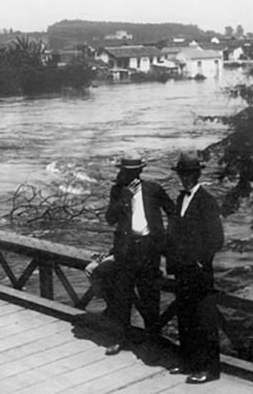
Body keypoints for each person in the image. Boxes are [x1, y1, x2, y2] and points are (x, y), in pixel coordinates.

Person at [103, 151, 177, 356]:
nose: (130, 176)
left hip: (148, 250)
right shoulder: (117, 191)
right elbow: (110, 219)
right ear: (122, 173)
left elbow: (173, 212)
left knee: (150, 297)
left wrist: (166, 239)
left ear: (140, 172)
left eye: (134, 172)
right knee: (123, 297)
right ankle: (121, 339)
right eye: (127, 172)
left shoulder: (153, 189)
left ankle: (153, 340)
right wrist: (124, 198)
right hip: (126, 251)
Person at [165, 151, 224, 384]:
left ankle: (209, 369)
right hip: (182, 269)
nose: (185, 178)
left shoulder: (207, 201)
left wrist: (200, 260)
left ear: (197, 175)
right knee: (185, 317)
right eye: (182, 174)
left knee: (204, 321)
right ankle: (189, 361)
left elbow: (217, 239)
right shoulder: (181, 199)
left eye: (189, 174)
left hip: (198, 272)